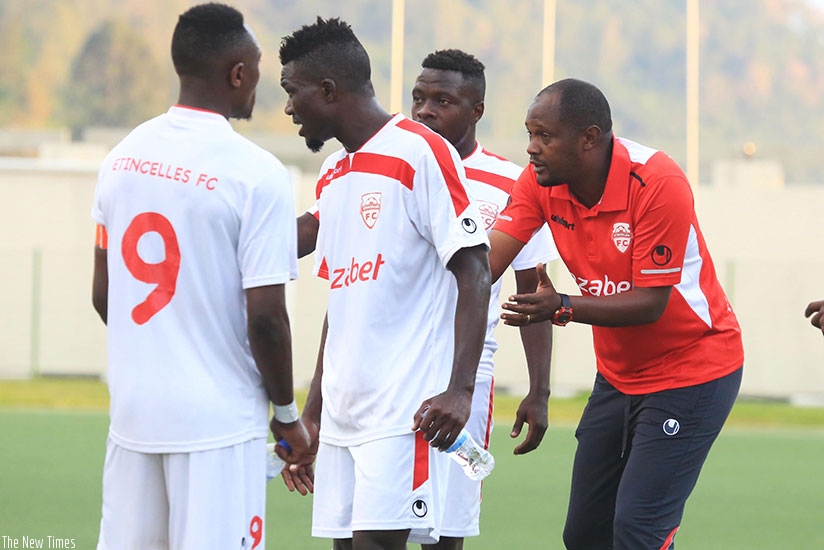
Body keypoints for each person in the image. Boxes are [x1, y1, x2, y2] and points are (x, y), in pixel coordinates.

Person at [488, 78, 745, 550]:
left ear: (589, 138)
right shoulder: (541, 182)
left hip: (693, 370)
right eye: (529, 134)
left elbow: (651, 303)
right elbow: (486, 265)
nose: (531, 149)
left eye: (545, 136)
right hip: (619, 375)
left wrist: (562, 306)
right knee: (585, 535)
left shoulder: (657, 180)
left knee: (637, 532)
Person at [90, 4, 312, 548]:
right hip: (217, 427)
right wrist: (286, 416)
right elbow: (266, 317)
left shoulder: (121, 158)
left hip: (134, 417)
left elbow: (104, 294)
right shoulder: (257, 174)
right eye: (257, 69)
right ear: (238, 73)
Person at [278, 17, 491, 550]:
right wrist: (313, 413)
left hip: (402, 414)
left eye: (291, 93)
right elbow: (343, 300)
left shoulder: (422, 152)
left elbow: (476, 271)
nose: (286, 109)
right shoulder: (336, 170)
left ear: (327, 91)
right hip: (344, 412)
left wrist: (461, 390)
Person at [409, 48, 559, 550]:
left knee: (445, 534)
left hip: (465, 380)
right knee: (365, 528)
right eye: (419, 98)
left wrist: (539, 391)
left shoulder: (513, 182)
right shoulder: (389, 166)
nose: (426, 110)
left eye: (443, 100)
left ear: (476, 111)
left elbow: (531, 290)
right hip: (386, 367)